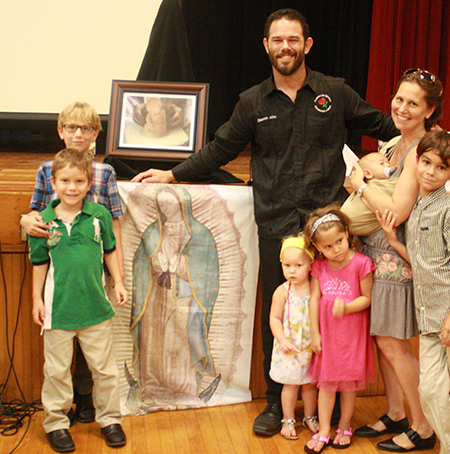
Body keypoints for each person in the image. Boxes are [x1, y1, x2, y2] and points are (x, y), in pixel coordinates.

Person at [132, 8, 399, 436]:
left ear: (307, 45)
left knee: (333, 314)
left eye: (293, 40)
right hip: (276, 226)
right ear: (267, 46)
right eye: (278, 40)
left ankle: (325, 404)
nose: (286, 47)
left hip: (329, 230)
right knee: (278, 311)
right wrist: (172, 174)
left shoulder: (334, 92)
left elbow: (386, 125)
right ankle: (278, 403)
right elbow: (219, 149)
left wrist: (390, 160)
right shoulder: (252, 102)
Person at [376, 131, 450, 454]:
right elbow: (426, 264)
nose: (429, 171)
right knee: (430, 391)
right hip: (429, 319)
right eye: (425, 162)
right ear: (416, 161)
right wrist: (396, 242)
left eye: (440, 167)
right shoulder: (418, 209)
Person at [349, 69, 441, 451]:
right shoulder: (393, 143)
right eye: (399, 99)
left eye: (413, 103)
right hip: (373, 252)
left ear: (429, 110)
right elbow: (363, 168)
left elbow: (396, 211)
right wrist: (363, 173)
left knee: (393, 344)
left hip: (394, 258)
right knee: (382, 340)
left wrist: (361, 184)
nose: (402, 108)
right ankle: (395, 412)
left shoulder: (424, 150)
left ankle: (422, 426)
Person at [20, 102, 124, 425]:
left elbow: (113, 229)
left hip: (94, 269)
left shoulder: (104, 173)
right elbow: (37, 215)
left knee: (96, 350)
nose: (78, 134)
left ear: (95, 133)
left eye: (86, 129)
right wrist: (26, 220)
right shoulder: (47, 169)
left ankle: (90, 402)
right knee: (61, 352)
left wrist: (117, 276)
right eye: (71, 128)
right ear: (60, 131)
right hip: (60, 268)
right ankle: (62, 413)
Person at [130, 186, 221, 407]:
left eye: (169, 203)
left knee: (180, 342)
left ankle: (185, 388)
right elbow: (140, 263)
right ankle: (152, 387)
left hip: (185, 297)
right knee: (154, 341)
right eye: (161, 204)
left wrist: (179, 264)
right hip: (155, 297)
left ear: (183, 203)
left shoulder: (199, 233)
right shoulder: (152, 231)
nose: (166, 208)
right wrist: (154, 262)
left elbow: (207, 267)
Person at [303, 205, 375, 452]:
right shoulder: (320, 267)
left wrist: (347, 307)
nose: (336, 249)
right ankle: (324, 430)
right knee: (326, 385)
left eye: (340, 241)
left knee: (348, 386)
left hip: (352, 336)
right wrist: (315, 333)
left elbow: (367, 298)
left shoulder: (361, 263)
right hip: (328, 337)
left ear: (346, 233)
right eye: (327, 246)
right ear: (317, 247)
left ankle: (345, 425)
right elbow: (314, 299)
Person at [269, 236, 318, 440]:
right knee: (290, 385)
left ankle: (309, 416)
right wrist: (281, 339)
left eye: (298, 265)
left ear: (310, 264)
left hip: (309, 347)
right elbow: (274, 318)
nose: (292, 270)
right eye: (287, 265)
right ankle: (288, 419)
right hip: (289, 348)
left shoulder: (315, 288)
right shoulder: (282, 291)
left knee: (310, 384)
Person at [341, 152, 397, 236]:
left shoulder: (389, 184)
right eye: (381, 163)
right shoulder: (368, 185)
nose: (388, 165)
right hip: (345, 223)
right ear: (368, 173)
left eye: (388, 162)